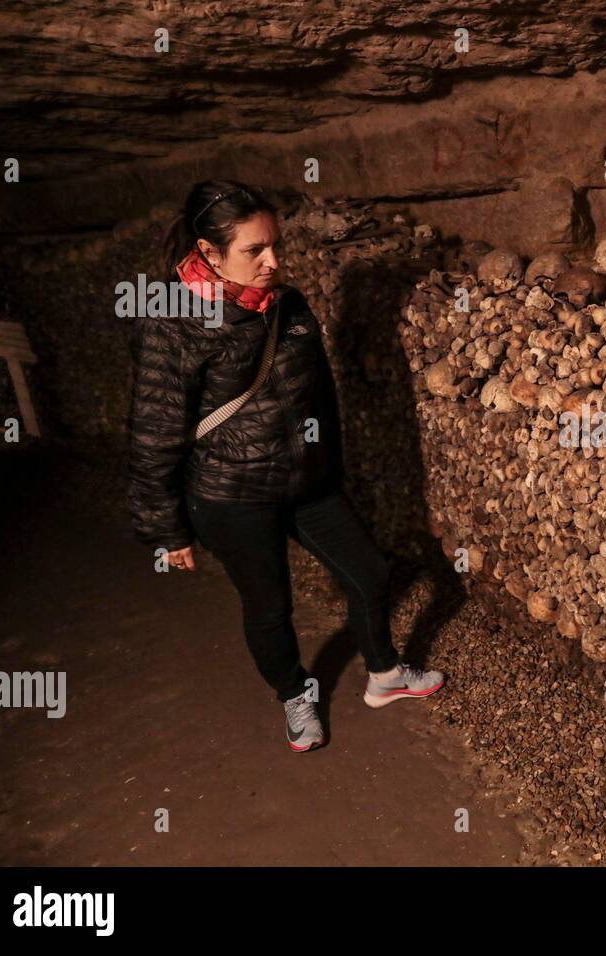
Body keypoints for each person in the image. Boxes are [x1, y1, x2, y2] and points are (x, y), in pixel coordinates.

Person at [126, 180, 443, 752]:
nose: (273, 261)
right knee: (270, 606)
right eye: (254, 250)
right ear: (208, 252)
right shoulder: (171, 323)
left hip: (305, 482)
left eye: (275, 244)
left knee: (369, 572)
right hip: (231, 493)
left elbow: (320, 399)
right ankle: (296, 694)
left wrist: (328, 468)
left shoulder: (288, 305)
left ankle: (385, 675)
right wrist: (166, 527)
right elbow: (155, 430)